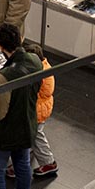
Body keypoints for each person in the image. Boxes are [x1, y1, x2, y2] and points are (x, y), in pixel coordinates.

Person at [0, 23, 41, 189]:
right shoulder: (35, 60)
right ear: (20, 38)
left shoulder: (6, 76)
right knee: (23, 166)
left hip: (4, 135)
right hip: (26, 125)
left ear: (0, 46)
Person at [24, 42, 57, 178]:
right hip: (41, 108)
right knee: (34, 135)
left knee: (35, 136)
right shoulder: (45, 67)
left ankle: (48, 163)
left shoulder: (39, 73)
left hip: (37, 110)